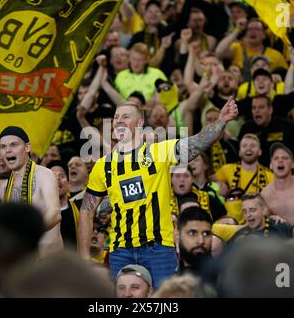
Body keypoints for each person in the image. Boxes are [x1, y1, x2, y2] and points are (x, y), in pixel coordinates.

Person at [79, 97, 238, 290]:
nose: (118, 121)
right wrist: (84, 256)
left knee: (164, 302)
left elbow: (198, 142)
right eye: (116, 117)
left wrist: (221, 121)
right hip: (120, 250)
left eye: (125, 117)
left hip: (158, 248)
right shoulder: (102, 166)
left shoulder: (159, 152)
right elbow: (87, 211)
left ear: (139, 124)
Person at [0, 126, 63, 255]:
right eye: (3, 147)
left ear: (27, 147)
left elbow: (55, 213)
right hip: (22, 264)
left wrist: (27, 236)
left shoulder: (44, 175)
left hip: (49, 263)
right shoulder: (4, 188)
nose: (8, 150)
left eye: (13, 145)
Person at [215, 133, 274, 223]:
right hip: (232, 224)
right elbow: (209, 180)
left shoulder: (270, 175)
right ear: (239, 152)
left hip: (259, 225)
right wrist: (220, 188)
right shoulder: (226, 169)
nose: (248, 148)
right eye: (244, 146)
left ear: (260, 152)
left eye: (253, 146)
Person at [177, 207, 213, 273]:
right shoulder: (166, 279)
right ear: (178, 236)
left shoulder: (227, 278)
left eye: (206, 234)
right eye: (192, 233)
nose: (201, 241)